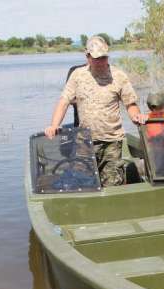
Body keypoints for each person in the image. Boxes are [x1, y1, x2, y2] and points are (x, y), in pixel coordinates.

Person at [44, 36, 146, 187]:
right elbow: (63, 101)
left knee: (112, 184)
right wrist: (54, 125)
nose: (101, 62)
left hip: (111, 142)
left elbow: (130, 104)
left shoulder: (118, 76)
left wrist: (136, 116)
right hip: (85, 141)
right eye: (97, 58)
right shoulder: (78, 75)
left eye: (104, 58)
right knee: (83, 184)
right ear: (88, 57)